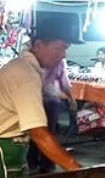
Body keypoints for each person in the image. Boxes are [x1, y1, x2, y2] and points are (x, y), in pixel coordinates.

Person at [0, 21, 81, 176]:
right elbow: (38, 133)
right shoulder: (25, 75)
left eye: (66, 48)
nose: (64, 55)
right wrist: (77, 169)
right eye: (59, 47)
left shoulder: (24, 66)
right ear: (38, 45)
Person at [26, 56, 77, 173]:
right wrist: (71, 98)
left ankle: (32, 161)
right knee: (48, 133)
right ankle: (46, 164)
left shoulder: (29, 59)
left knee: (35, 130)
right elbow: (64, 82)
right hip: (50, 100)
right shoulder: (58, 60)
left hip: (34, 99)